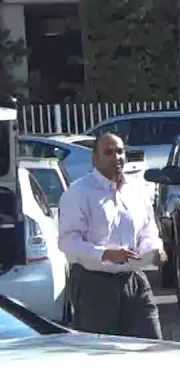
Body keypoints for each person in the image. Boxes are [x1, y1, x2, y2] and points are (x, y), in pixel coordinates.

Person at [58, 133, 164, 338]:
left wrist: (154, 249)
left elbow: (148, 229)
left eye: (120, 151)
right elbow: (67, 241)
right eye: (108, 152)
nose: (116, 157)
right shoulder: (79, 192)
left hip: (134, 279)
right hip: (95, 284)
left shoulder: (137, 190)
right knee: (104, 354)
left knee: (152, 347)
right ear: (95, 159)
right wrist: (105, 254)